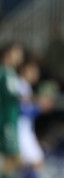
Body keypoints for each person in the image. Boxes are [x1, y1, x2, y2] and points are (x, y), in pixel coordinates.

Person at [0, 42, 25, 178]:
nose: (20, 55)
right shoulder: (4, 73)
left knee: (12, 160)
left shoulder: (11, 73)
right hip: (6, 122)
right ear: (8, 54)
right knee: (15, 158)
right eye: (17, 52)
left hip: (11, 121)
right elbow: (14, 97)